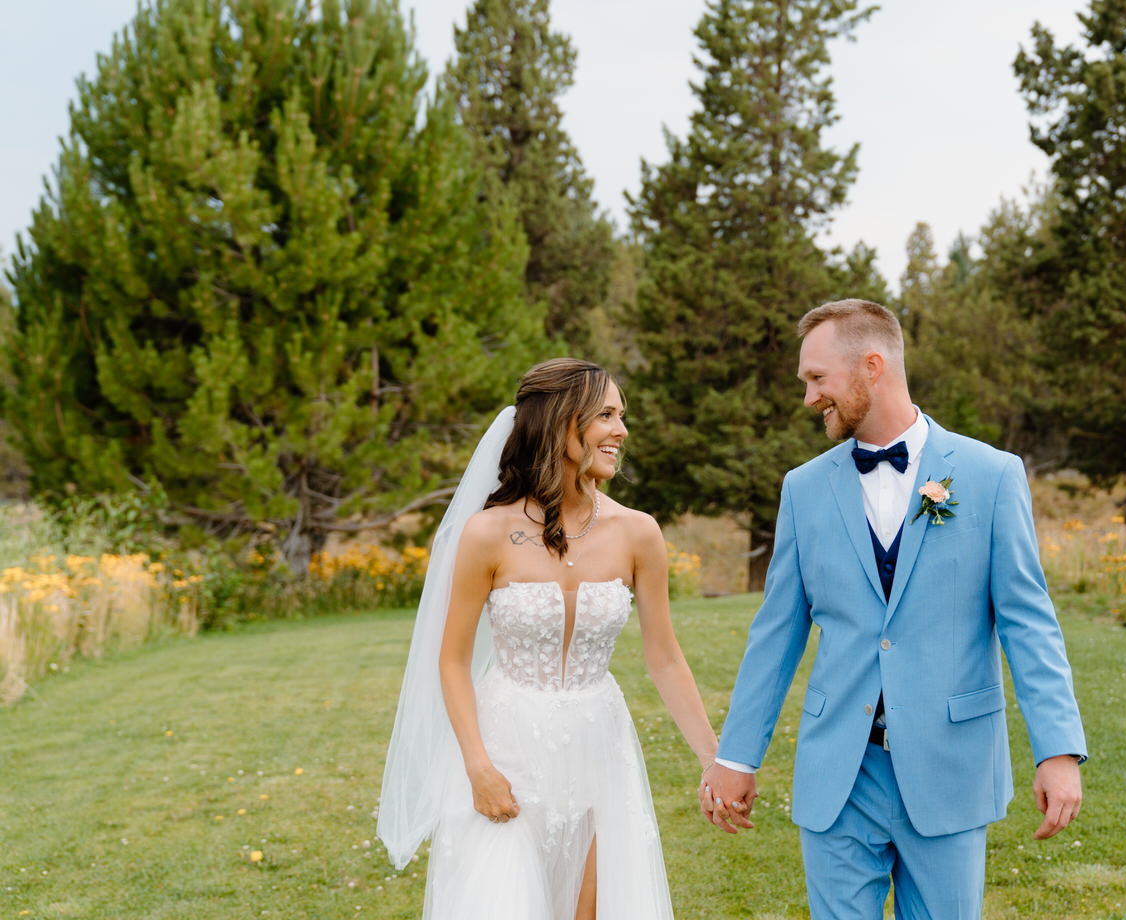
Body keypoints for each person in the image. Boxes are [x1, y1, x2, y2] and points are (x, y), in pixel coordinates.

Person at [700, 299, 1087, 920]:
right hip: (840, 773)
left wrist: (1058, 750)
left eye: (817, 379)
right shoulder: (803, 489)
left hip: (949, 766)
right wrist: (736, 756)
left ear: (871, 366)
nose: (808, 398)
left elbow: (1028, 621)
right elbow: (776, 634)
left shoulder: (991, 476)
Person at [378, 358, 719, 920]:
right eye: (606, 415)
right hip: (505, 748)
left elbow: (664, 657)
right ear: (563, 422)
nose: (622, 430)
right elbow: (452, 660)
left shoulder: (638, 532)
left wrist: (714, 759)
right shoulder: (489, 532)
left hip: (599, 748)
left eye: (622, 415)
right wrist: (477, 767)